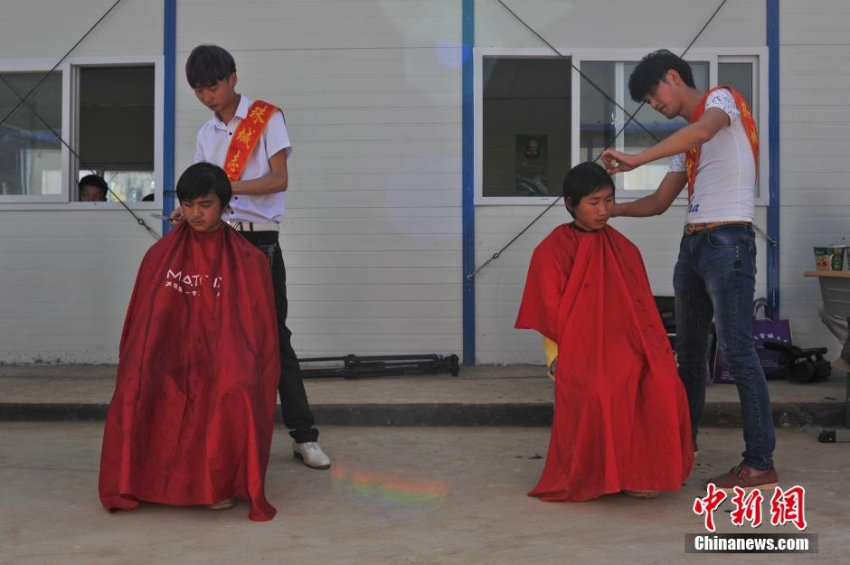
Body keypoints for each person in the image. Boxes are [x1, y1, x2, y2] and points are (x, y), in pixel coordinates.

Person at [600, 49, 778, 492]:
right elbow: (660, 202)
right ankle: (683, 446)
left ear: (673, 77)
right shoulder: (689, 145)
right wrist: (611, 210)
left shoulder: (722, 101)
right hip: (694, 244)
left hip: (728, 241)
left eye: (652, 93)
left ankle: (759, 462)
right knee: (689, 355)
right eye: (646, 100)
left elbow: (703, 129)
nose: (653, 104)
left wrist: (637, 159)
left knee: (737, 349)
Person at [99, 162, 280, 521]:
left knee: (235, 386)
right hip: (170, 353)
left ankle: (215, 482)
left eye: (206, 204)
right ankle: (144, 477)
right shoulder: (159, 256)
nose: (196, 213)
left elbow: (260, 334)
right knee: (138, 381)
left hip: (223, 354)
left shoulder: (250, 261)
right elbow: (141, 321)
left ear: (224, 205)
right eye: (189, 204)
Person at [184, 44, 330, 469]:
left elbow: (278, 180)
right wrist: (190, 206)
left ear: (233, 78)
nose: (208, 96)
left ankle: (304, 436)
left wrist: (225, 190)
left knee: (273, 339)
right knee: (213, 340)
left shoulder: (267, 118)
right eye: (198, 90)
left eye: (213, 86)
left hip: (259, 244)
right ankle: (217, 435)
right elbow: (200, 189)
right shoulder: (205, 134)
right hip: (216, 242)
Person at [515, 161, 693, 502]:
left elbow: (645, 312)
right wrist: (555, 358)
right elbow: (549, 314)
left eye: (609, 201)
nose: (603, 210)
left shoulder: (625, 249)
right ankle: (601, 474)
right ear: (570, 204)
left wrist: (659, 350)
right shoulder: (550, 251)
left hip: (631, 345)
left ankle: (642, 472)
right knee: (602, 388)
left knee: (663, 382)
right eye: (593, 203)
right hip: (582, 351)